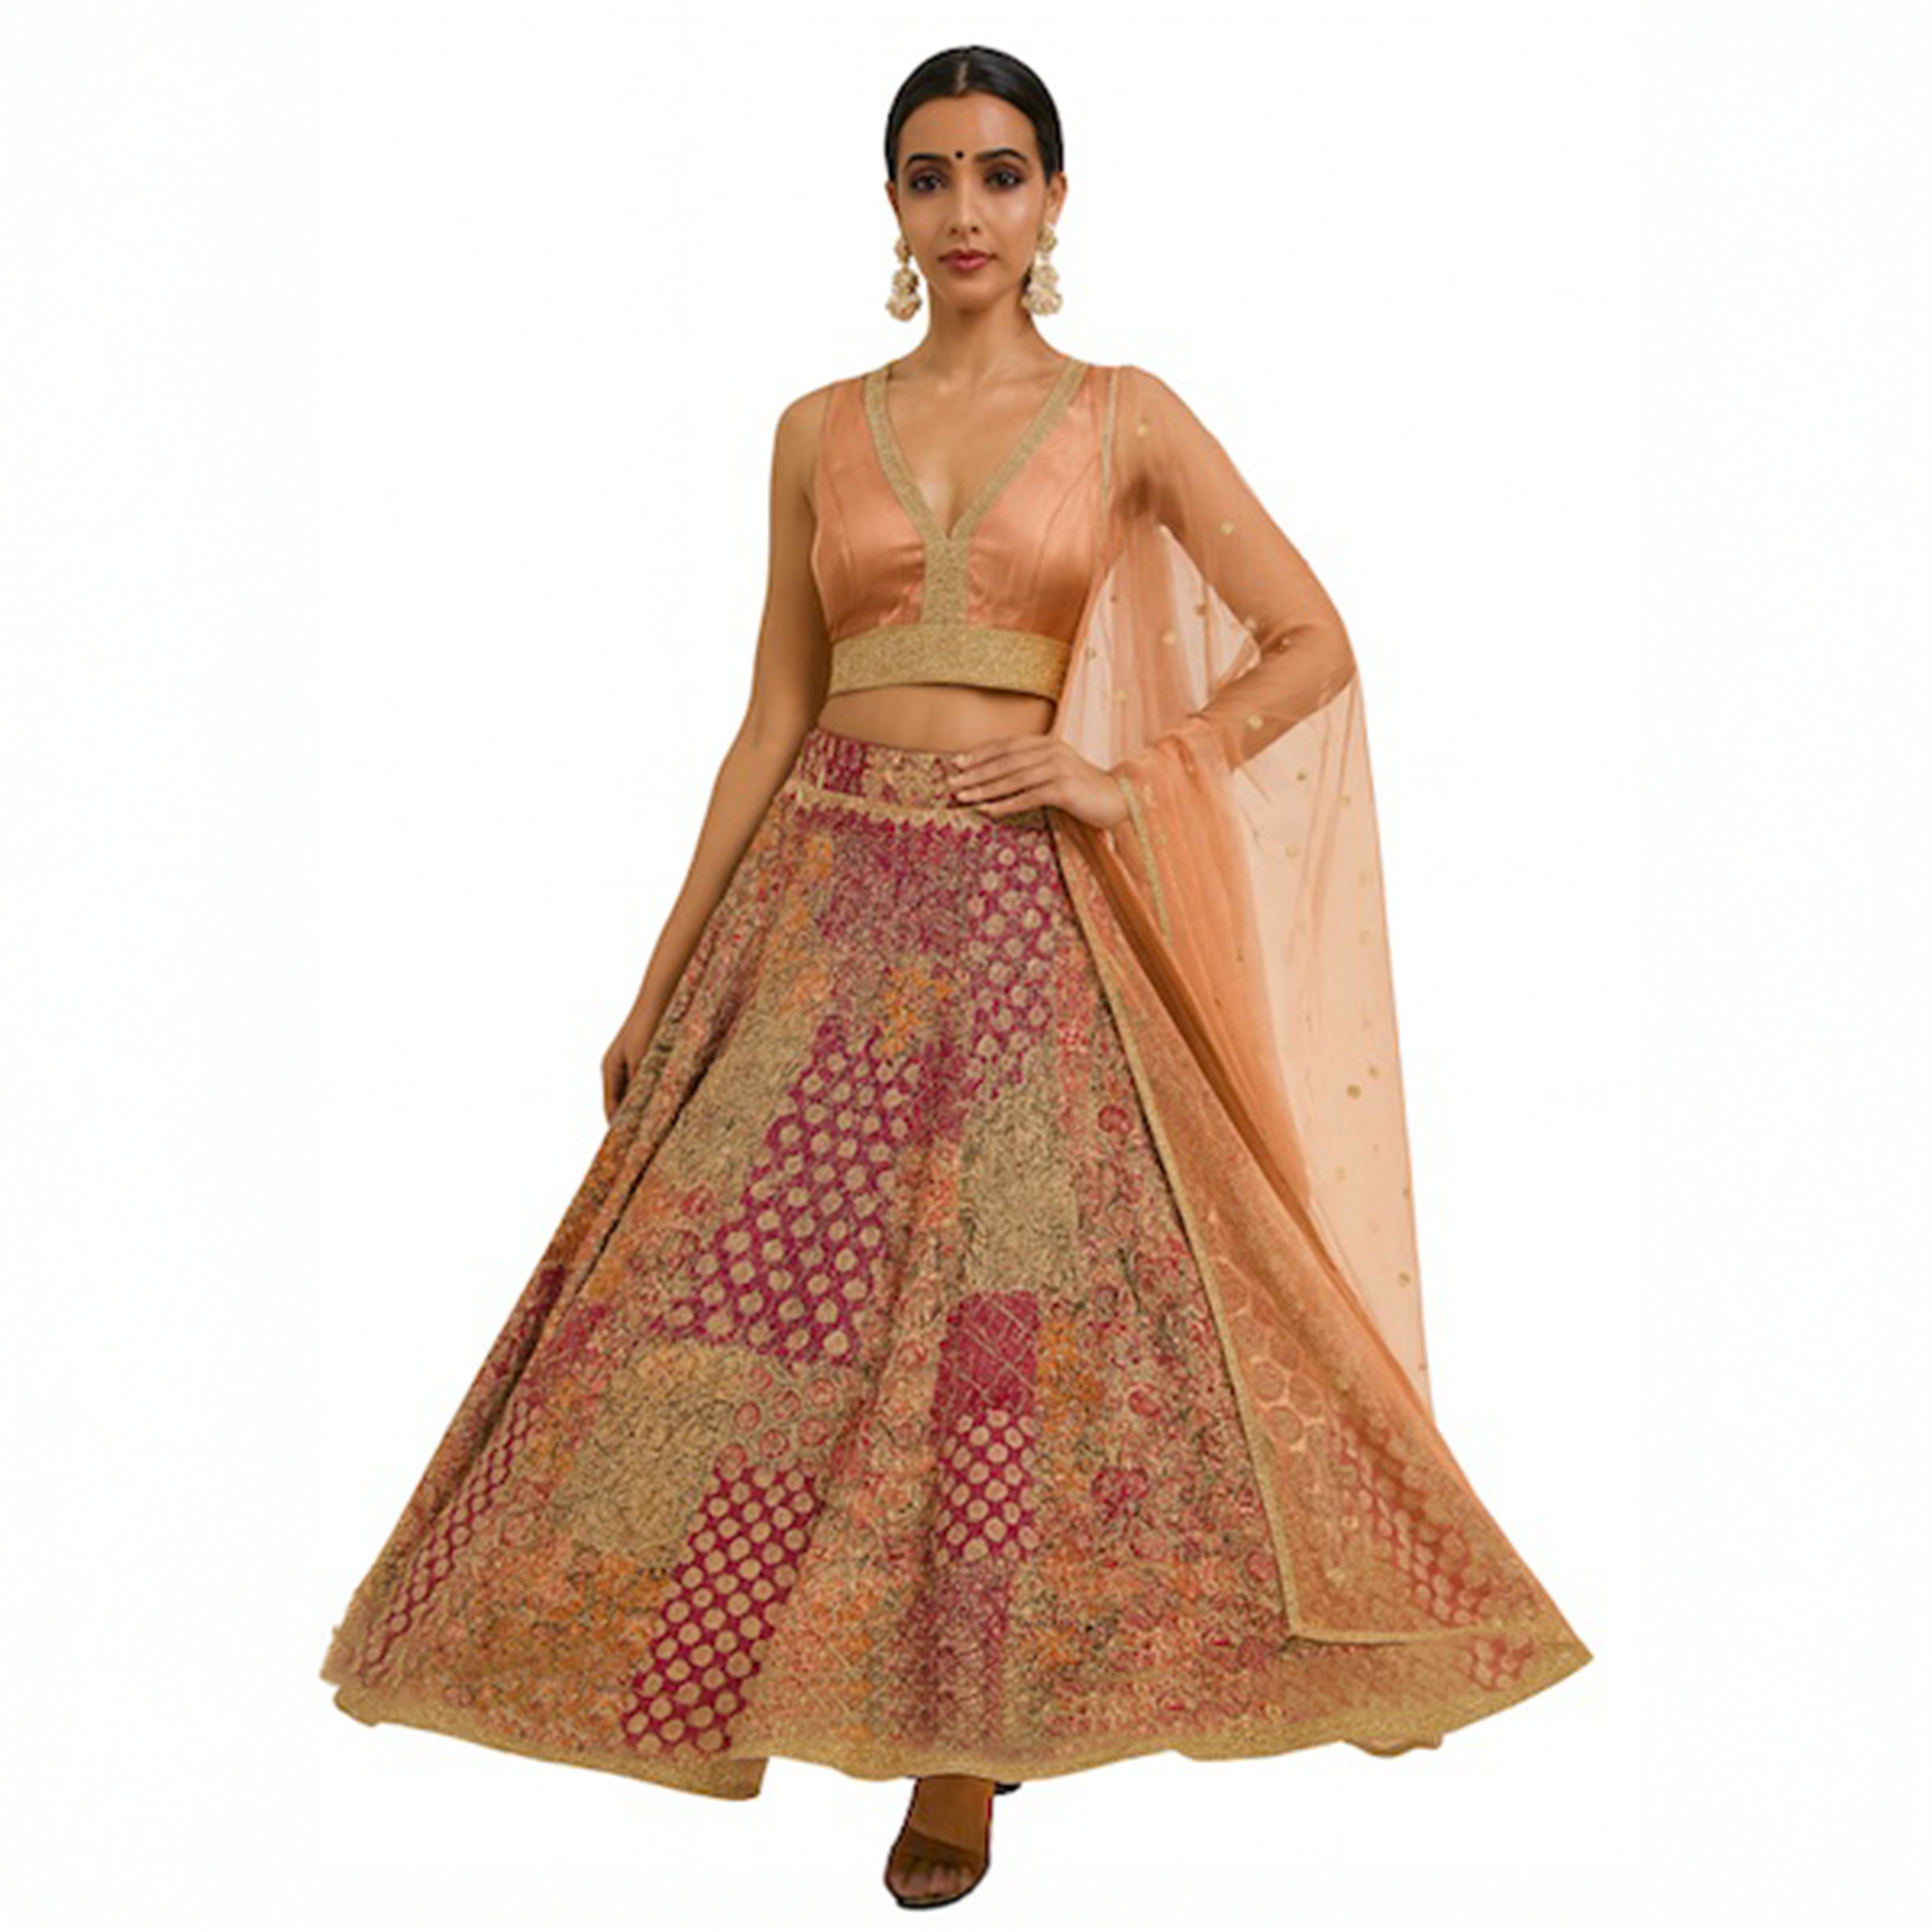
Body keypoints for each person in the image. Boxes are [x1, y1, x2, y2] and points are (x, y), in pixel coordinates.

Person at [321, 44, 1592, 1912]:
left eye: (1002, 173)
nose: (967, 210)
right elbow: (771, 710)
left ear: (1055, 198)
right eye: (932, 176)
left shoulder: (1126, 415)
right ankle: (712, 1663)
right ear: (892, 207)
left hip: (1020, 921)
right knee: (741, 1320)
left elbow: (1310, 638)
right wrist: (662, 971)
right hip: (819, 906)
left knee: (997, 1337)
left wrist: (1121, 775)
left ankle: (959, 1747)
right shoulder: (812, 427)